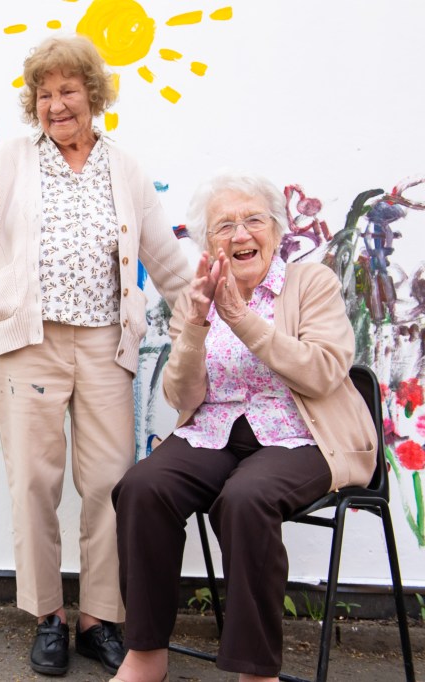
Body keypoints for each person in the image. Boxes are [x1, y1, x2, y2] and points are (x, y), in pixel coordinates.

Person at [0, 34, 190, 677]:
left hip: (107, 344)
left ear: (93, 95)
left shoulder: (123, 168)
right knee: (33, 482)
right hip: (31, 342)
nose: (56, 104)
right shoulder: (15, 159)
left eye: (68, 91)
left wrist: (205, 321)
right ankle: (47, 615)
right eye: (44, 94)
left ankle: (97, 619)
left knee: (111, 484)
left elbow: (163, 257)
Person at [111, 171, 377, 682]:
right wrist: (193, 326)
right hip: (214, 431)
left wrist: (242, 320)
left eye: (253, 220)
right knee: (142, 487)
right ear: (210, 243)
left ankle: (255, 671)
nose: (240, 235)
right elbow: (180, 395)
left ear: (276, 230)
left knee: (246, 498)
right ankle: (146, 654)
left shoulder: (311, 283)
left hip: (302, 434)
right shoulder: (199, 293)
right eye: (224, 226)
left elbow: (324, 372)